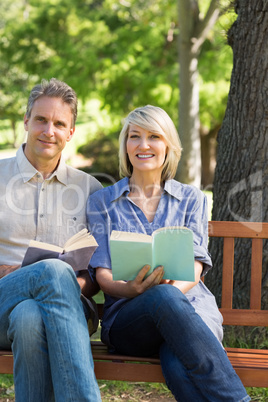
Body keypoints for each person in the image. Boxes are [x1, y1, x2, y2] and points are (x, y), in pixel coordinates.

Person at [87, 105, 250, 401]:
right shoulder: (103, 202)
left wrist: (173, 290)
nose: (144, 145)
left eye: (154, 137)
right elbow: (102, 274)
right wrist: (132, 288)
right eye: (134, 136)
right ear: (126, 145)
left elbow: (196, 265)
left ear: (168, 145)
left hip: (192, 313)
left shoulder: (191, 199)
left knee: (176, 360)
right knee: (163, 297)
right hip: (130, 320)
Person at [0, 78, 102, 402]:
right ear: (26, 121)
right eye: (41, 120)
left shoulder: (89, 190)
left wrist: (70, 284)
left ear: (71, 132)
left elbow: (97, 274)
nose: (49, 131)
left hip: (66, 312)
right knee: (52, 271)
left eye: (60, 123)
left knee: (30, 316)